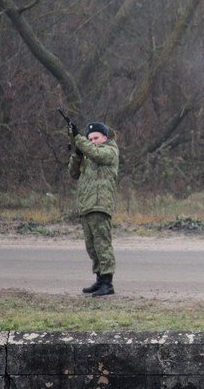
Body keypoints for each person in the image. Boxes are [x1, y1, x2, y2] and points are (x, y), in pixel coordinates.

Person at [69, 121, 120, 297]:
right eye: (90, 139)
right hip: (87, 206)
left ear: (105, 137)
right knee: (91, 246)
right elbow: (74, 174)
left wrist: (78, 139)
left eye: (96, 138)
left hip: (100, 204)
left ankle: (107, 282)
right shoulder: (88, 154)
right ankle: (99, 280)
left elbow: (97, 154)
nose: (92, 142)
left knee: (102, 245)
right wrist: (76, 155)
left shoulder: (110, 151)